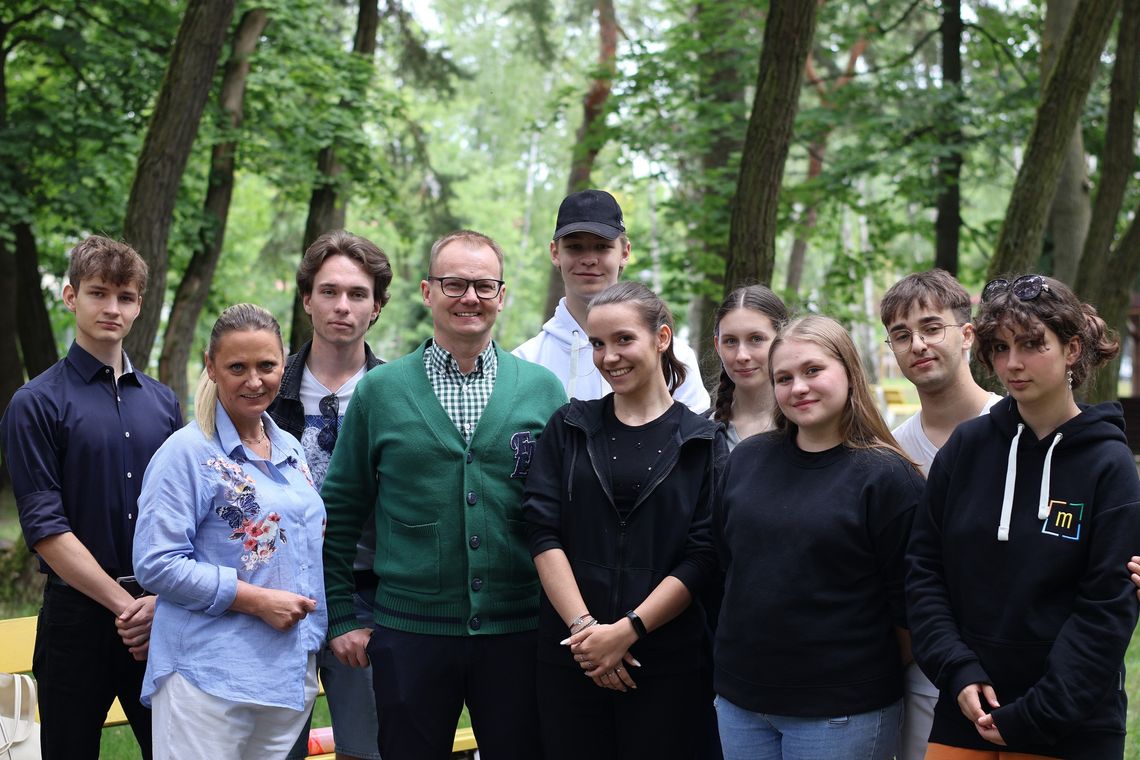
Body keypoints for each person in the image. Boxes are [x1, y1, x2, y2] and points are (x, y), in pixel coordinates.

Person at [319, 230, 567, 760]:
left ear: (502, 296)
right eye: (454, 284)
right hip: (410, 634)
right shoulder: (380, 392)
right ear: (428, 292)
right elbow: (341, 510)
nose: (469, 297)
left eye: (483, 285)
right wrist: (341, 614)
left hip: (518, 633)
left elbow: (563, 514)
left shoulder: (542, 390)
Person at [906, 275, 1140, 759]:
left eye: (1033, 344)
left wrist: (1038, 713)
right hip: (968, 705)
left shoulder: (1108, 465)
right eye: (999, 347)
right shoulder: (965, 450)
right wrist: (957, 672)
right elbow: (924, 570)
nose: (1012, 363)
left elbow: (1106, 608)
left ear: (1072, 349)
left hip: (1068, 718)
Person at [522, 282, 723, 759]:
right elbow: (541, 529)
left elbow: (703, 553)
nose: (609, 356)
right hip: (571, 657)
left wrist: (627, 631)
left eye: (623, 339)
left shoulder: (703, 442)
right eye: (597, 343)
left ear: (662, 338)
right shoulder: (569, 427)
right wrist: (587, 633)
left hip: (665, 663)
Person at [0, 236, 181, 760]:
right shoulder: (35, 404)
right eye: (98, 293)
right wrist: (129, 608)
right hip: (77, 625)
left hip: (157, 614)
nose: (112, 308)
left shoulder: (165, 404)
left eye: (125, 297)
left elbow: (182, 513)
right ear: (69, 296)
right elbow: (46, 531)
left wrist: (159, 606)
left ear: (140, 306)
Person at [714, 315, 924, 760]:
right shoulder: (746, 460)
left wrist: (849, 676)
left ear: (848, 370)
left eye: (813, 370)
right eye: (784, 378)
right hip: (740, 704)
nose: (798, 387)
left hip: (840, 712)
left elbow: (909, 607)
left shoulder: (887, 478)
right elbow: (726, 567)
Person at [133, 304, 325, 759]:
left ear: (284, 364)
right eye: (237, 367)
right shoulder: (186, 452)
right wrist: (256, 600)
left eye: (267, 366)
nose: (254, 380)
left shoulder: (290, 448)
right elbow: (156, 562)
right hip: (209, 677)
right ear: (211, 367)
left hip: (286, 673)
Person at [271, 231, 391, 760]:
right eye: (328, 291)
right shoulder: (266, 390)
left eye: (358, 294)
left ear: (377, 307)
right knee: (275, 749)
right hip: (273, 595)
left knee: (368, 748)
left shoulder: (398, 395)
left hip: (367, 596)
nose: (342, 306)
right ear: (306, 300)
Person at [879, 270, 1002, 760]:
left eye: (932, 327)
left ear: (967, 334)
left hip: (1021, 661)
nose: (918, 345)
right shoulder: (892, 452)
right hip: (929, 680)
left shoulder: (1016, 426)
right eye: (902, 335)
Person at [514, 189, 710, 412]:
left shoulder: (672, 355)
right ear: (555, 253)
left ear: (625, 252)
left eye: (602, 246)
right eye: (575, 247)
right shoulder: (525, 362)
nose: (588, 259)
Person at [710, 284, 790, 449]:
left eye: (756, 339)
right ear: (717, 346)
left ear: (782, 339)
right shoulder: (701, 434)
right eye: (730, 341)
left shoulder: (808, 427)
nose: (742, 356)